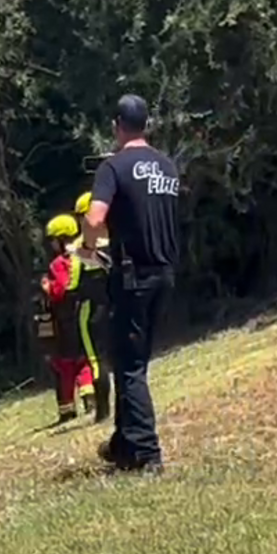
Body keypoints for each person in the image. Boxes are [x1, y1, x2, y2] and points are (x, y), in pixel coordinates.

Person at [81, 94, 181, 473]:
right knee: (133, 360)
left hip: (132, 274)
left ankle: (147, 453)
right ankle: (123, 444)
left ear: (116, 125)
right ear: (147, 124)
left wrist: (89, 249)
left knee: (129, 366)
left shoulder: (114, 166)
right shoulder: (167, 166)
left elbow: (94, 219)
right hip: (165, 272)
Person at [41, 214, 97, 425]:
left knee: (65, 364)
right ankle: (89, 397)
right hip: (83, 313)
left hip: (65, 320)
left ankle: (67, 409)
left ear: (61, 238)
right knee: (84, 360)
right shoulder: (83, 255)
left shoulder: (58, 264)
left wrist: (48, 287)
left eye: (53, 240)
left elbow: (62, 288)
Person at [72, 191, 114, 422]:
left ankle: (102, 412)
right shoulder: (116, 237)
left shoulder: (81, 245)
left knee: (96, 360)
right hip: (115, 305)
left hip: (91, 309)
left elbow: (72, 283)